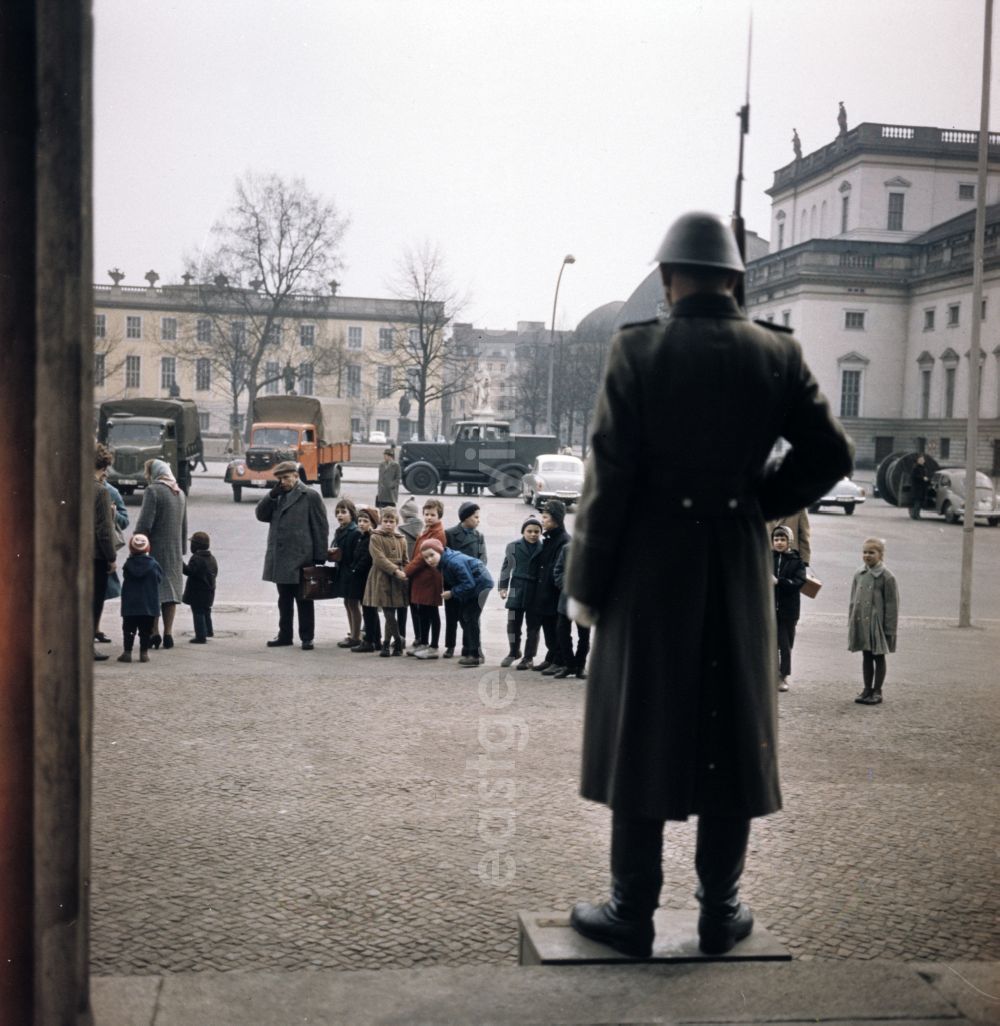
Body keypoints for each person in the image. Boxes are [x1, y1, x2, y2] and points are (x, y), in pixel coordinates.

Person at [565, 211, 853, 959]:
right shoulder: (775, 355)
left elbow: (609, 481)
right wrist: (759, 502)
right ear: (735, 278)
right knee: (731, 736)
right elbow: (830, 452)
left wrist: (587, 585)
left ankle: (631, 912)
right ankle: (720, 913)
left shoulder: (638, 353)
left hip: (650, 574)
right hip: (734, 569)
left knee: (641, 737)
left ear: (667, 278)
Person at [255, 460, 329, 650]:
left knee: (304, 599)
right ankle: (285, 635)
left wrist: (320, 556)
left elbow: (320, 527)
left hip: (302, 557)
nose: (283, 482)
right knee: (284, 600)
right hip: (281, 558)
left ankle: (307, 637)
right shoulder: (277, 496)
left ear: (296, 476)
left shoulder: (310, 495)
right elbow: (260, 515)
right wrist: (271, 494)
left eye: (286, 477)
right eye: (280, 479)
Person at [134, 458, 187, 650]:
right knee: (171, 592)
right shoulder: (179, 492)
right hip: (174, 551)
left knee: (154, 591)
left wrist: (137, 542)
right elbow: (183, 526)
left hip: (154, 549)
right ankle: (169, 633)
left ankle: (154, 632)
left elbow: (145, 524)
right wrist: (182, 550)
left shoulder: (153, 490)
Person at [418, 539, 493, 667]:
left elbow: (469, 583)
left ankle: (476, 655)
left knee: (470, 618)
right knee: (465, 617)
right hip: (475, 584)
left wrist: (452, 593)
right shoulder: (444, 561)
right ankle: (472, 651)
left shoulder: (453, 562)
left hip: (481, 584)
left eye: (432, 555)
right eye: (426, 558)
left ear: (440, 551)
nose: (430, 560)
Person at [848, 537, 899, 706]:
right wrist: (852, 621)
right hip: (862, 621)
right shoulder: (859, 573)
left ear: (881, 555)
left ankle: (877, 690)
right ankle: (866, 689)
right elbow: (853, 599)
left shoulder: (887, 577)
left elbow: (892, 605)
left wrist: (889, 629)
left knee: (878, 657)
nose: (867, 555)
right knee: (866, 655)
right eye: (864, 552)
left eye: (872, 552)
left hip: (877, 625)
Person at [401, 498, 447, 659]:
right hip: (421, 578)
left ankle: (433, 646)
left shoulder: (438, 533)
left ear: (439, 515)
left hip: (430, 577)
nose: (428, 517)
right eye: (426, 514)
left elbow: (422, 557)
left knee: (431, 612)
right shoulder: (428, 530)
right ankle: (423, 642)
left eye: (432, 514)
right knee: (422, 611)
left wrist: (406, 571)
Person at [530, 499, 570, 674]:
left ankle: (559, 660)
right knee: (547, 625)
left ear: (555, 519)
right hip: (544, 592)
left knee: (556, 627)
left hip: (553, 593)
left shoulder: (563, 540)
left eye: (545, 517)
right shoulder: (549, 537)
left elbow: (558, 570)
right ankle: (551, 656)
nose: (542, 521)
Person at [498, 516, 543, 668]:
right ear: (523, 531)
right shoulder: (513, 546)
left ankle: (529, 657)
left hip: (535, 590)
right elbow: (506, 568)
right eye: (529, 531)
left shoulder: (543, 548)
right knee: (512, 623)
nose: (533, 534)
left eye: (537, 531)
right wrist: (503, 587)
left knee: (533, 626)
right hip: (516, 587)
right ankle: (513, 651)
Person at [444, 501, 487, 659]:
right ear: (466, 518)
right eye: (475, 517)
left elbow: (483, 558)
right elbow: (446, 557)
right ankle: (450, 646)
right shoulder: (450, 533)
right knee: (452, 616)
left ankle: (469, 646)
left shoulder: (479, 536)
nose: (478, 520)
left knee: (470, 617)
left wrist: (476, 574)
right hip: (453, 582)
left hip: (472, 583)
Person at [364, 506, 408, 657]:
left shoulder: (401, 539)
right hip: (381, 576)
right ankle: (396, 639)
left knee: (392, 611)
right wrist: (395, 570)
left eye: (392, 521)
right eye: (386, 521)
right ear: (381, 521)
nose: (388, 524)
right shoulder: (375, 537)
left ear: (396, 523)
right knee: (388, 612)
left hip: (398, 580)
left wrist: (406, 573)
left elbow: (405, 559)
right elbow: (379, 558)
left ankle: (389, 644)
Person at [117, 533, 162, 663]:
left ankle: (127, 652)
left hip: (130, 605)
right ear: (148, 548)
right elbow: (159, 578)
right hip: (148, 604)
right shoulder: (154, 564)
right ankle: (144, 653)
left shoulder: (128, 564)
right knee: (146, 631)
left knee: (128, 630)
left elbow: (126, 576)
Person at [771, 526, 806, 692]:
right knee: (777, 644)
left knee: (787, 645)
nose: (779, 543)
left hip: (789, 610)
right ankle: (779, 676)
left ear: (789, 541)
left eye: (782, 539)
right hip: (771, 610)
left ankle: (782, 675)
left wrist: (779, 582)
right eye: (776, 539)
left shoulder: (796, 560)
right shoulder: (768, 558)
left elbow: (799, 582)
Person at [92, 447, 118, 662]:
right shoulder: (100, 491)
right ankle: (87, 646)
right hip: (95, 556)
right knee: (94, 601)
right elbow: (103, 530)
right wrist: (111, 557)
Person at [552, 540, 589, 680]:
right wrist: (567, 586)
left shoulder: (595, 549)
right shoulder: (567, 548)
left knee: (584, 635)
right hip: (566, 599)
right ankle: (569, 665)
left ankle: (581, 666)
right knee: (562, 632)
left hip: (585, 600)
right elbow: (557, 570)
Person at [330, 499, 363, 648]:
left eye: (343, 512)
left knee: (353, 603)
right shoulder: (342, 530)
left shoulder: (354, 531)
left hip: (351, 573)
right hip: (343, 571)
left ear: (352, 514)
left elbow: (355, 555)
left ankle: (356, 636)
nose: (339, 515)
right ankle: (353, 632)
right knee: (347, 602)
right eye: (337, 512)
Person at [349, 506, 382, 653]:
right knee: (369, 609)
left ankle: (369, 641)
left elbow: (367, 558)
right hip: (362, 579)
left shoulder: (371, 538)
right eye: (360, 520)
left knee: (369, 610)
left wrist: (355, 569)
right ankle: (376, 639)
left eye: (365, 521)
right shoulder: (362, 537)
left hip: (366, 579)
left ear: (373, 524)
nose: (361, 523)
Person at [182, 531, 218, 644]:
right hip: (209, 591)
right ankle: (208, 630)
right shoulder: (212, 558)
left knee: (198, 612)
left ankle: (200, 636)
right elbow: (215, 572)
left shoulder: (196, 558)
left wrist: (180, 563)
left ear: (195, 545)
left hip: (197, 592)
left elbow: (189, 571)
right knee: (206, 611)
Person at [909, 455, 930, 519]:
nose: (922, 461)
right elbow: (913, 477)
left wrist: (927, 480)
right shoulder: (915, 468)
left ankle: (916, 515)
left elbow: (925, 476)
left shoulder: (924, 468)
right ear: (918, 461)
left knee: (919, 502)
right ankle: (916, 515)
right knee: (917, 502)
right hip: (917, 488)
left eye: (923, 460)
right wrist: (922, 478)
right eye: (921, 460)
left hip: (922, 488)